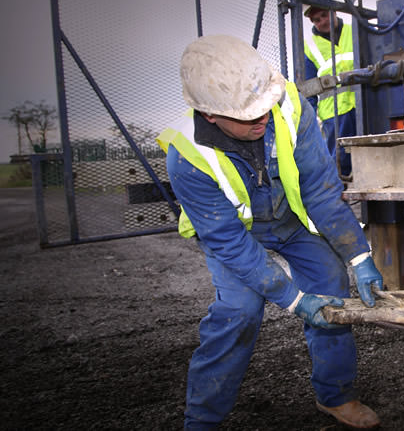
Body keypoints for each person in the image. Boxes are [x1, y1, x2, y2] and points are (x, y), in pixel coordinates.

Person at [156, 34, 384, 430]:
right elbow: (228, 243)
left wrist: (360, 257)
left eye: (265, 106)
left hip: (290, 222)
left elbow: (321, 191)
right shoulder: (188, 157)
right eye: (248, 115)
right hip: (237, 235)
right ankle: (202, 420)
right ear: (210, 115)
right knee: (239, 311)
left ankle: (336, 395)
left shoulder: (292, 106)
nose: (263, 118)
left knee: (331, 280)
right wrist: (295, 301)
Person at [303, 0, 357, 177]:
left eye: (324, 15)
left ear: (334, 11)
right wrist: (309, 120)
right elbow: (308, 89)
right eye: (316, 20)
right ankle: (339, 200)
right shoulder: (309, 48)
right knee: (340, 160)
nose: (322, 22)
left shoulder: (355, 31)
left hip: (362, 105)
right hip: (334, 114)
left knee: (368, 153)